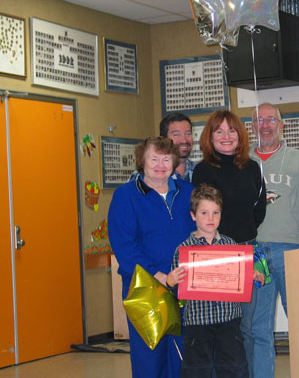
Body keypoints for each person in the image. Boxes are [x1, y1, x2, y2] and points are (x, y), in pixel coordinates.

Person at [108, 137, 196, 378]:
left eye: (166, 159)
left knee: (183, 355)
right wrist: (159, 276)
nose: (160, 165)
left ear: (174, 162)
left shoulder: (188, 192)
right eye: (154, 159)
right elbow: (124, 246)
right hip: (145, 287)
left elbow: (202, 231)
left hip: (183, 284)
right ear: (142, 161)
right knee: (150, 357)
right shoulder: (125, 196)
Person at [192, 109, 266, 376]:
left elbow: (259, 210)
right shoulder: (202, 170)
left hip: (247, 251)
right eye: (219, 131)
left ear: (240, 135)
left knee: (245, 328)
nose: (226, 136)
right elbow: (203, 214)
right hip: (215, 254)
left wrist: (242, 240)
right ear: (210, 137)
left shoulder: (253, 167)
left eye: (231, 130)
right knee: (217, 328)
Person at [166, 184, 264, 378]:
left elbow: (239, 279)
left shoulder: (231, 245)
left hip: (229, 322)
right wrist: (170, 282)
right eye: (204, 213)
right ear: (193, 216)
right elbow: (177, 293)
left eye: (215, 213)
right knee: (197, 371)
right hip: (198, 325)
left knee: (234, 369)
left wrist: (251, 275)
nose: (210, 218)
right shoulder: (184, 250)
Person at [249, 103, 299, 378]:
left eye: (271, 120)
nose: (266, 125)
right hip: (254, 252)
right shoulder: (242, 161)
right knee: (258, 328)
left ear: (281, 125)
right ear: (252, 127)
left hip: (291, 249)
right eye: (259, 120)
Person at [130, 112, 195, 182]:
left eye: (188, 134)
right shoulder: (143, 175)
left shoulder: (199, 170)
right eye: (176, 135)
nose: (184, 140)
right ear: (164, 139)